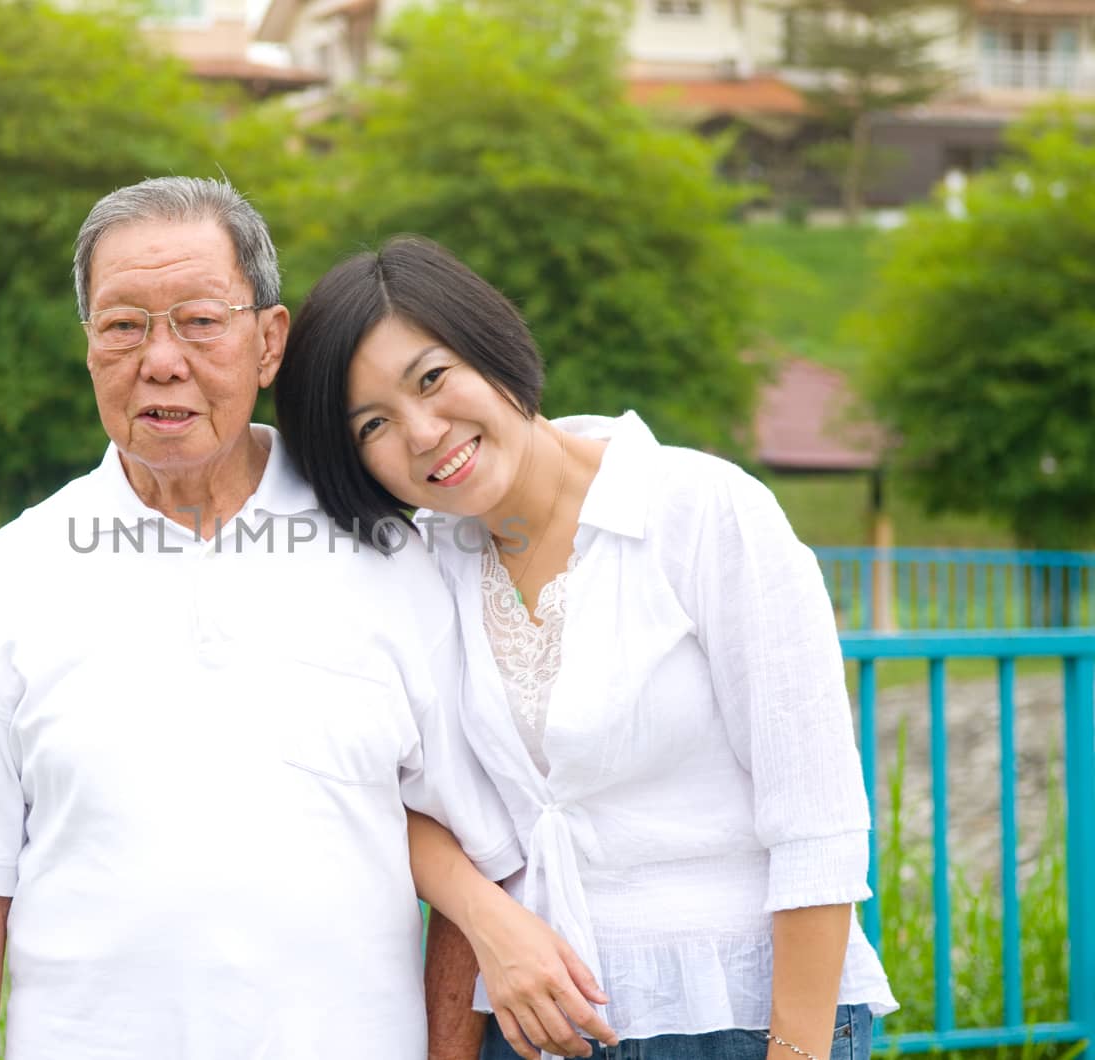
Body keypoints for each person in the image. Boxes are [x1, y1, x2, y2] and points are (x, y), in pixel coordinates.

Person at [0, 179, 611, 1060]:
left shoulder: (389, 550)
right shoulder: (17, 574)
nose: (160, 360)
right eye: (123, 326)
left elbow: (470, 844)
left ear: (270, 343)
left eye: (198, 320)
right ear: (88, 349)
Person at [273, 236, 899, 1060]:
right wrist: (490, 918)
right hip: (535, 1026)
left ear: (491, 348)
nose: (423, 433)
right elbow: (395, 790)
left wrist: (797, 1049)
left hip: (739, 1019)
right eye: (373, 426)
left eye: (432, 379)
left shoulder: (702, 512)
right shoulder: (423, 567)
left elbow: (815, 819)